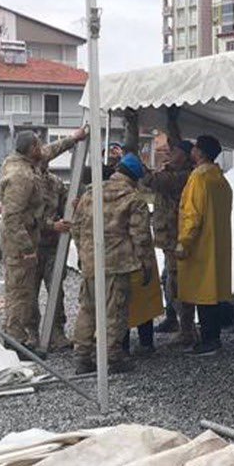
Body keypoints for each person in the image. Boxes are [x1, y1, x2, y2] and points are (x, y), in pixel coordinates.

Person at [71, 151, 156, 375]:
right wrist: (146, 264)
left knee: (88, 309)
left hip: (90, 262)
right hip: (118, 264)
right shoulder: (133, 199)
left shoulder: (91, 192)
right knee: (115, 311)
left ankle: (82, 357)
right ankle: (112, 357)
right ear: (135, 178)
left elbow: (76, 226)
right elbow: (141, 236)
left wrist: (83, 253)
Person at [174, 135, 233, 356]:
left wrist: (184, 241)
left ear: (200, 152)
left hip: (200, 245)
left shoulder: (198, 178)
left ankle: (209, 340)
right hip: (217, 243)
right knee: (213, 290)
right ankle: (213, 336)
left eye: (196, 147)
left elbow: (192, 214)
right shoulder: (220, 179)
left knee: (202, 292)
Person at [32, 128, 88, 350]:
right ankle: (32, 334)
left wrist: (75, 205)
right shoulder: (26, 179)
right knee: (29, 294)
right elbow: (25, 216)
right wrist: (49, 225)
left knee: (56, 290)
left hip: (54, 246)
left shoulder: (55, 182)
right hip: (33, 245)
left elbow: (68, 203)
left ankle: (56, 333)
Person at [0, 130, 47, 351]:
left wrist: (73, 139)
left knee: (20, 290)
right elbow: (12, 218)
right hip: (19, 244)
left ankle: (15, 337)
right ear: (33, 149)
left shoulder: (18, 162)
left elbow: (49, 153)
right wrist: (27, 248)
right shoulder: (22, 176)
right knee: (19, 293)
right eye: (40, 145)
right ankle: (14, 343)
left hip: (19, 239)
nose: (43, 148)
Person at [144, 134, 194, 345]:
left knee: (178, 283)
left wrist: (133, 157)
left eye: (174, 152)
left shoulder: (181, 176)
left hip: (176, 238)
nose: (169, 155)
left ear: (184, 156)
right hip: (169, 238)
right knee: (169, 280)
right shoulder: (176, 172)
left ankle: (187, 330)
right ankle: (174, 319)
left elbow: (150, 181)